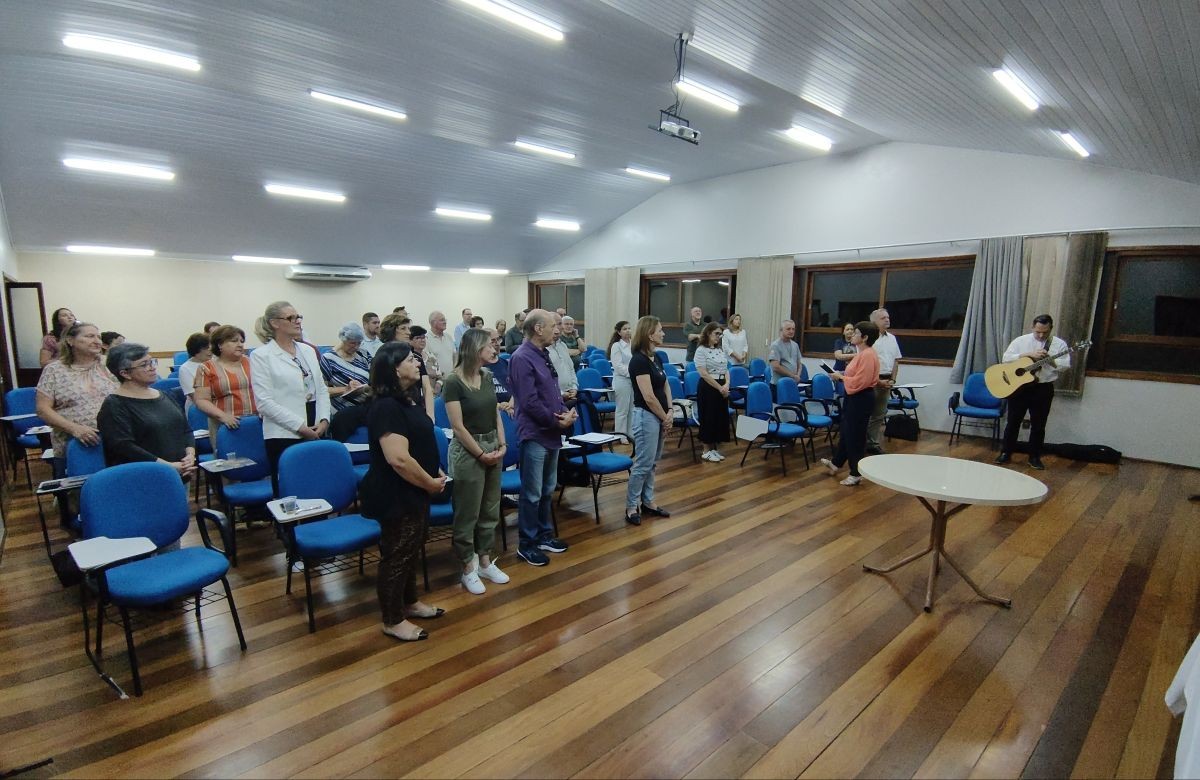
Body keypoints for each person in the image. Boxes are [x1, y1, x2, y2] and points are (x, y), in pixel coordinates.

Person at [360, 341, 449, 641]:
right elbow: (397, 458)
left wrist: (432, 471)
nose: (417, 363)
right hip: (396, 491)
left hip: (416, 487)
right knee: (397, 554)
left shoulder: (407, 400)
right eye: (411, 359)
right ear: (394, 368)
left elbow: (418, 443)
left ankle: (409, 602)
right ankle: (392, 618)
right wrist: (428, 482)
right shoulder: (385, 407)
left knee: (411, 548)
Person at [443, 328, 510, 595]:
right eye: (490, 346)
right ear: (474, 349)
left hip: (492, 443)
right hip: (468, 450)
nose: (495, 349)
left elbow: (495, 413)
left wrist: (502, 444)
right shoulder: (453, 381)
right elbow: (457, 427)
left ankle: (484, 561)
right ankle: (467, 567)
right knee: (467, 512)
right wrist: (481, 454)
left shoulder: (487, 375)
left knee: (490, 508)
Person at [508, 309, 576, 566]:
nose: (557, 330)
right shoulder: (521, 357)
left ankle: (544, 535)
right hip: (535, 432)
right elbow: (529, 402)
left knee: (548, 488)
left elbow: (550, 392)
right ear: (538, 329)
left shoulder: (543, 353)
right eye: (552, 326)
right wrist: (556, 420)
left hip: (551, 431)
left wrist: (563, 413)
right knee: (532, 492)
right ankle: (527, 543)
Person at [249, 301, 330, 492]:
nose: (297, 321)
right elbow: (264, 403)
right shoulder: (262, 356)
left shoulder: (308, 351)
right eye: (290, 318)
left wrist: (324, 419)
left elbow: (321, 389)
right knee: (290, 490)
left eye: (298, 317)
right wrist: (300, 427)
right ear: (275, 323)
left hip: (315, 423)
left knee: (316, 485)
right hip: (284, 430)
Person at [97, 343, 196, 480]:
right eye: (144, 365)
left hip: (180, 472)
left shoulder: (165, 395)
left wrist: (190, 456)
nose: (152, 368)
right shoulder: (115, 405)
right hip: (142, 478)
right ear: (125, 373)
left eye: (152, 362)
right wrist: (168, 466)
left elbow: (186, 430)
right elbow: (124, 447)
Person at [35, 321, 117, 478]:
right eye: (89, 336)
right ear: (70, 340)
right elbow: (42, 409)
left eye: (98, 337)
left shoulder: (108, 364)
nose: (97, 341)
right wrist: (75, 429)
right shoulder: (54, 370)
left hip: (114, 441)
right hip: (76, 443)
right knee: (79, 495)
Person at [996, 314, 1071, 470]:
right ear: (1033, 327)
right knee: (1013, 422)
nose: (1041, 335)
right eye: (1038, 332)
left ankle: (1034, 457)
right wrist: (1026, 354)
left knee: (1039, 425)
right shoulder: (1021, 341)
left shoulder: (1059, 345)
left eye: (1045, 332)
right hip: (1019, 388)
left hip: (1043, 388)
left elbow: (1065, 366)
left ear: (1051, 328)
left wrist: (1051, 360)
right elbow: (1006, 358)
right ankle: (1006, 453)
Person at [625, 316, 674, 526]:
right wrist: (665, 418)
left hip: (661, 416)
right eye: (660, 330)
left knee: (652, 462)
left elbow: (665, 385)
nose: (663, 333)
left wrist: (670, 410)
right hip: (646, 417)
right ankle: (631, 505)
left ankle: (648, 501)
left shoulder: (657, 357)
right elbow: (648, 396)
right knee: (643, 463)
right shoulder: (638, 360)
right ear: (649, 334)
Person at [820, 321, 880, 486]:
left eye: (856, 333)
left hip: (861, 397)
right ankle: (836, 463)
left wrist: (841, 378)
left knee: (855, 436)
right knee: (846, 432)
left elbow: (861, 381)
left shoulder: (867, 354)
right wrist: (841, 373)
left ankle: (856, 473)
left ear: (865, 337)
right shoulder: (861, 353)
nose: (852, 335)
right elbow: (854, 373)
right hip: (854, 397)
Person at [194, 325, 257, 443]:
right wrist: (223, 416)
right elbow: (201, 400)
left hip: (256, 423)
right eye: (234, 341)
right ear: (220, 345)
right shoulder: (206, 368)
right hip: (225, 426)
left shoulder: (252, 362)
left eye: (242, 341)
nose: (240, 344)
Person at [866, 308, 902, 454]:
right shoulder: (869, 339)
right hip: (871, 380)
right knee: (866, 413)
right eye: (883, 318)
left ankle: (872, 443)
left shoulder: (892, 338)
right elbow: (866, 362)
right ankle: (860, 441)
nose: (887, 320)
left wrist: (893, 379)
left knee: (879, 414)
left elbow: (896, 361)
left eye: (887, 317)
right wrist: (876, 380)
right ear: (874, 321)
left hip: (887, 380)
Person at [694, 323, 731, 462]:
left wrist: (727, 384)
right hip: (709, 387)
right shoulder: (701, 350)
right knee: (708, 417)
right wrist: (719, 387)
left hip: (721, 385)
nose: (718, 336)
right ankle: (705, 450)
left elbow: (726, 369)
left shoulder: (720, 350)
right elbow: (703, 373)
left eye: (720, 334)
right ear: (708, 333)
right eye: (716, 333)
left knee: (719, 417)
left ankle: (714, 448)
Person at [321, 322, 371, 413]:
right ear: (343, 340)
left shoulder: (364, 354)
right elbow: (322, 390)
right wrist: (346, 389)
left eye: (359, 343)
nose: (356, 347)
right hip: (341, 410)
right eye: (352, 343)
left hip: (367, 407)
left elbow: (374, 378)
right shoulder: (329, 358)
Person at [608, 320, 634, 436]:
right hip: (622, 380)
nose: (628, 331)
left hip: (634, 380)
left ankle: (631, 434)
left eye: (629, 328)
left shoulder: (634, 344)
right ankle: (620, 435)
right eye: (625, 329)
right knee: (622, 410)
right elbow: (618, 366)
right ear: (619, 332)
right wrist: (633, 372)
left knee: (632, 409)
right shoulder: (616, 346)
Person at [547, 312, 579, 404]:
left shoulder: (563, 346)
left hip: (570, 394)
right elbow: (546, 378)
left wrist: (574, 387)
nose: (561, 327)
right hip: (554, 397)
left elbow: (571, 369)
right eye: (559, 324)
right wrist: (560, 393)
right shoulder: (542, 349)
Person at [178, 332, 212, 413]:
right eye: (207, 348)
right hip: (198, 409)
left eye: (211, 347)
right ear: (196, 350)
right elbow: (195, 396)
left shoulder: (215, 363)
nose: (211, 350)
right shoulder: (185, 368)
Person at [768, 320, 804, 389]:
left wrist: (797, 376)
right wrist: (793, 376)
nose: (791, 331)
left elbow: (799, 363)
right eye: (788, 329)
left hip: (792, 383)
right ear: (781, 330)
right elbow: (776, 367)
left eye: (793, 329)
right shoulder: (775, 345)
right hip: (778, 385)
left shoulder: (795, 345)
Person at [426, 311, 455, 390]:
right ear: (433, 323)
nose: (445, 322)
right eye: (442, 320)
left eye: (445, 320)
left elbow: (454, 357)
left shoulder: (449, 337)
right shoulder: (426, 340)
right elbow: (427, 363)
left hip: (452, 380)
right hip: (437, 384)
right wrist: (439, 380)